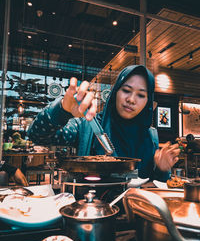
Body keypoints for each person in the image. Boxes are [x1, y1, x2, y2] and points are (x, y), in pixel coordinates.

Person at [28, 65, 180, 182]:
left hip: (137, 213)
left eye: (141, 95)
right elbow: (37, 135)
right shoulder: (88, 125)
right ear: (115, 94)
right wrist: (62, 109)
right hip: (91, 214)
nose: (132, 99)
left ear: (147, 102)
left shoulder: (150, 135)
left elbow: (154, 184)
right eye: (126, 90)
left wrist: (161, 169)